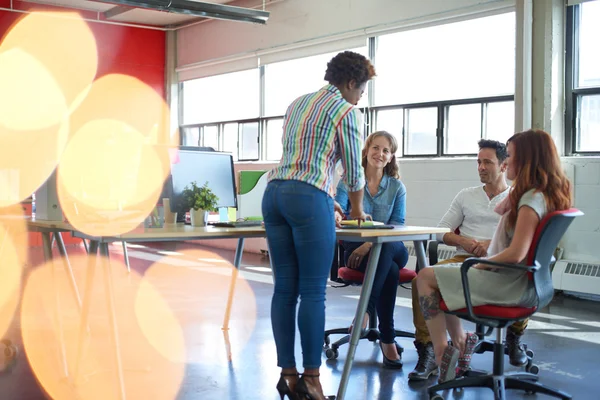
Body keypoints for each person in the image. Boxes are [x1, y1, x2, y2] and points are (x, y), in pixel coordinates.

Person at [414, 129, 572, 383]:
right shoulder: (539, 194)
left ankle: (444, 353)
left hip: (507, 282)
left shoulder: (530, 200)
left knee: (424, 277)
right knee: (439, 277)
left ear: (527, 160)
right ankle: (459, 345)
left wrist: (480, 264)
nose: (506, 162)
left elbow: (516, 252)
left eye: (509, 157)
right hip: (525, 282)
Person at [263, 51, 376, 400]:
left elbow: (299, 155)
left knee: (285, 290)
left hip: (275, 194)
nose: (362, 97)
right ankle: (312, 379)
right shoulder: (346, 111)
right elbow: (355, 172)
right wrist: (357, 210)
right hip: (309, 197)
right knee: (313, 291)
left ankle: (289, 375)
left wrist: (328, 199)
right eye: (362, 89)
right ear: (351, 83)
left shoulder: (298, 103)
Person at [409, 139, 531, 380]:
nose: (481, 167)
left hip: (501, 261)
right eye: (478, 162)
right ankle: (429, 350)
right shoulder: (466, 196)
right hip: (464, 258)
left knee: (524, 275)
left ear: (504, 165)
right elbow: (441, 230)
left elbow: (522, 242)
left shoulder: (518, 198)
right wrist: (463, 241)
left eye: (487, 162)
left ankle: (514, 337)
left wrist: (491, 245)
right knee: (419, 281)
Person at [335, 130, 409, 369]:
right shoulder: (348, 183)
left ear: (391, 157)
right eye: (375, 148)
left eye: (386, 150)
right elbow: (341, 216)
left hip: (391, 246)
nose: (380, 153)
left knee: (385, 249)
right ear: (366, 151)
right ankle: (388, 340)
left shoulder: (397, 187)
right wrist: (364, 243)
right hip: (355, 249)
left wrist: (370, 244)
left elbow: (397, 225)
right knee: (390, 272)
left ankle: (364, 312)